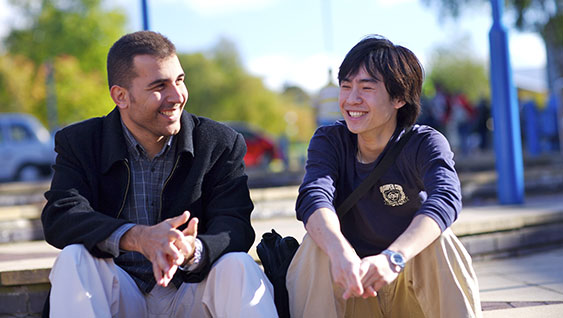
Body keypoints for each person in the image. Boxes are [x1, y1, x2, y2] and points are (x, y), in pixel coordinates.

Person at [41, 30, 278, 318]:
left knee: (238, 265)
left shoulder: (219, 143)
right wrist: (137, 237)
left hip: (190, 288)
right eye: (159, 86)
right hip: (121, 290)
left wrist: (194, 250)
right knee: (73, 259)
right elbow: (62, 216)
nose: (177, 96)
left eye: (179, 80)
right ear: (121, 96)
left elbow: (235, 226)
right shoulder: (80, 142)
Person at [286, 35, 482, 317]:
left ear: (399, 97)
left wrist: (393, 259)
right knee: (316, 244)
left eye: (366, 88)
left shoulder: (424, 143)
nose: (352, 99)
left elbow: (446, 196)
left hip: (408, 287)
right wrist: (340, 251)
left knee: (441, 240)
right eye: (346, 86)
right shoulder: (329, 140)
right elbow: (314, 196)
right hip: (351, 286)